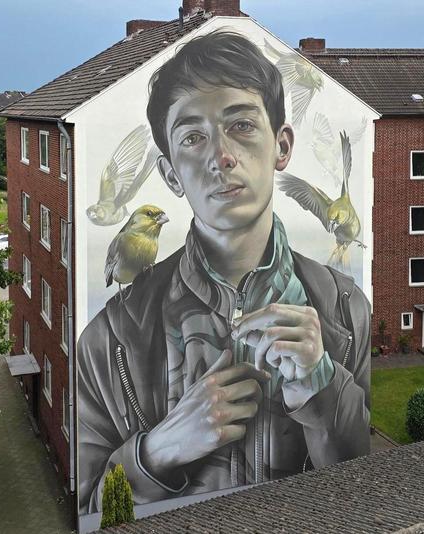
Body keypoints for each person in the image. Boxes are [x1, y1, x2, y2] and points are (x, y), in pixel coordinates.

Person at [78, 31, 370, 514]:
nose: (222, 157)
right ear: (171, 174)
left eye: (241, 125)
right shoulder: (107, 339)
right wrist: (155, 452)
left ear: (282, 146)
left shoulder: (344, 308)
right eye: (193, 137)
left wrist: (322, 389)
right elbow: (89, 511)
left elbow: (362, 489)